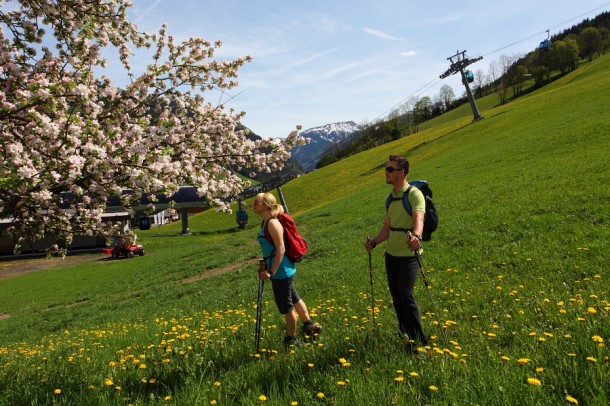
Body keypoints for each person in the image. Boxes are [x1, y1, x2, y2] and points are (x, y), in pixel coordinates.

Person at [364, 155, 428, 352]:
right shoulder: (390, 198)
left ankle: (421, 343)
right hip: (391, 255)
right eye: (386, 168)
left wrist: (416, 236)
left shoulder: (414, 194)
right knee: (397, 297)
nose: (386, 172)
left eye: (390, 169)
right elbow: (387, 227)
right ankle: (407, 338)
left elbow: (419, 218)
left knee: (406, 296)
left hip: (409, 255)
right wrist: (374, 242)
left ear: (402, 172)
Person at [253, 192, 322, 348]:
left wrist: (271, 271)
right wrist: (265, 264)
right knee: (295, 299)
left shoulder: (272, 223)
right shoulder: (265, 223)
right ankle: (310, 328)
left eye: (257, 202)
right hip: (280, 268)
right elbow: (271, 248)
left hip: (281, 271)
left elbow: (281, 248)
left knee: (287, 307)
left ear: (265, 205)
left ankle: (291, 340)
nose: (254, 204)